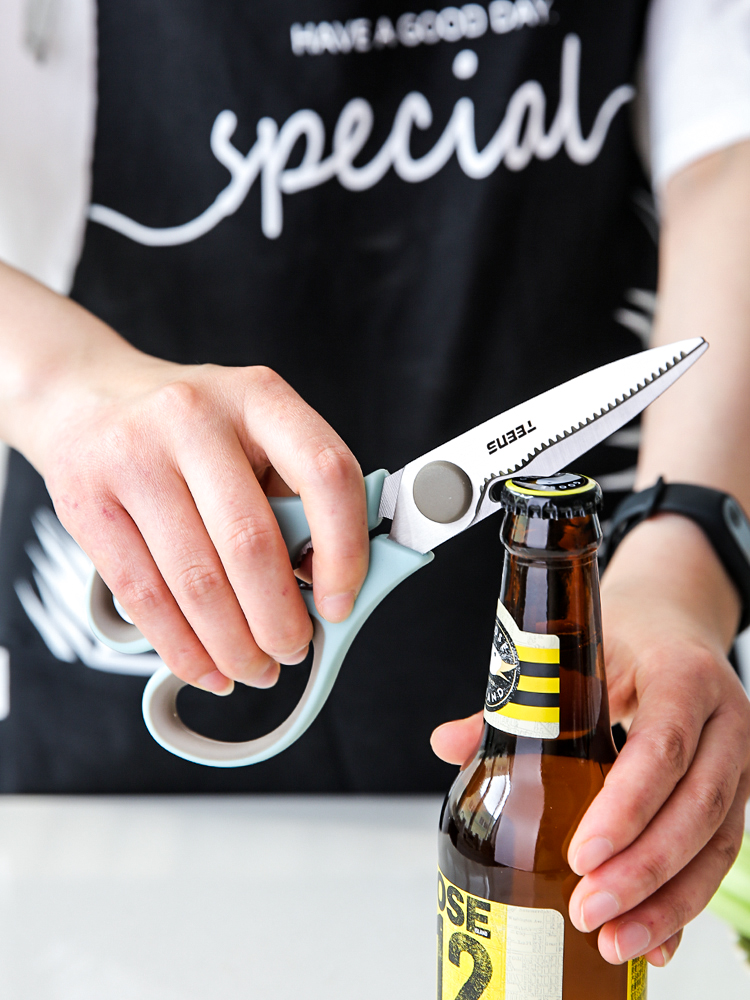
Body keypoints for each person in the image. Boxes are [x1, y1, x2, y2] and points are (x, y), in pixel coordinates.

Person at [0, 0, 749, 970]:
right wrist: (63, 382)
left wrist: (683, 555)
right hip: (102, 802)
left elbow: (731, 155)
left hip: (579, 704)